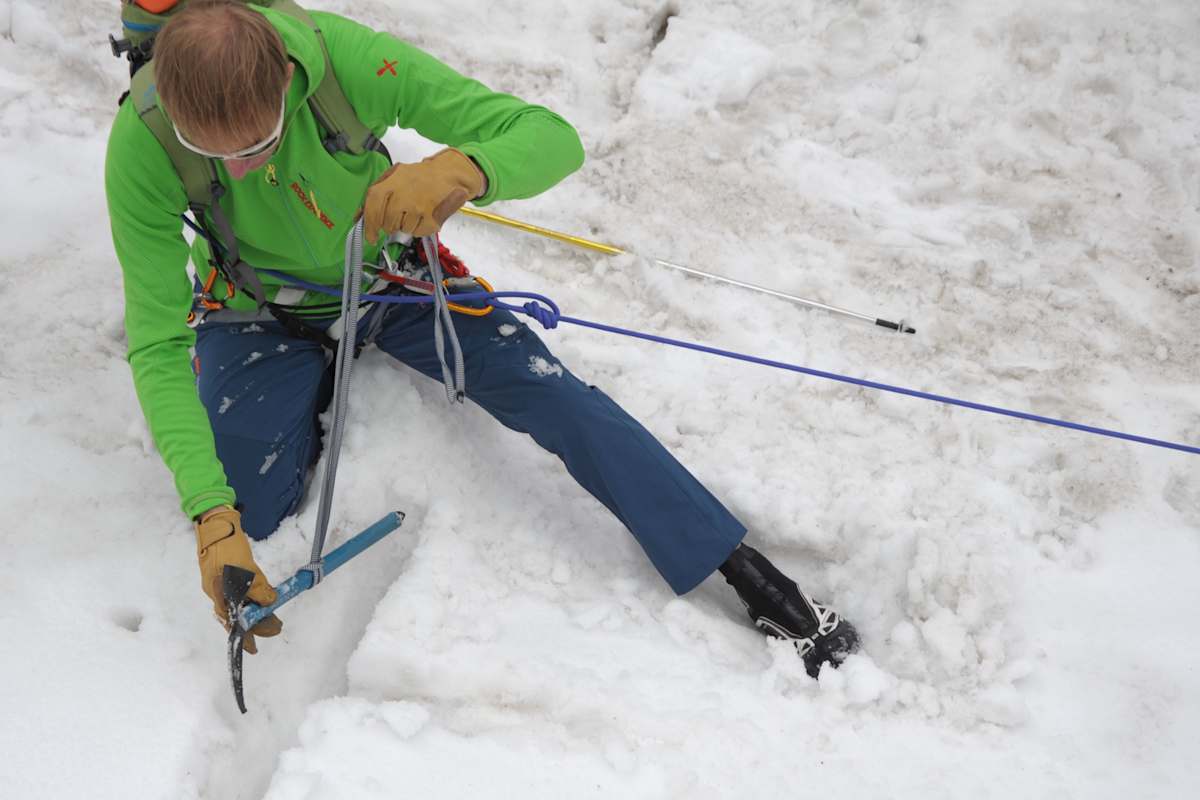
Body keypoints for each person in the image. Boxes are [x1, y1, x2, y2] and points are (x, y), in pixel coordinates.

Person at [105, 0, 858, 674]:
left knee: (552, 393)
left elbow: (547, 135)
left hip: (387, 277)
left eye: (260, 142)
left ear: (286, 83)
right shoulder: (141, 144)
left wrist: (463, 168)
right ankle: (303, 391)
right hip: (256, 308)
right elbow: (159, 339)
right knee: (252, 508)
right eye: (217, 155)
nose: (240, 166)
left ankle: (738, 566)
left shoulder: (346, 63)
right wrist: (213, 517)